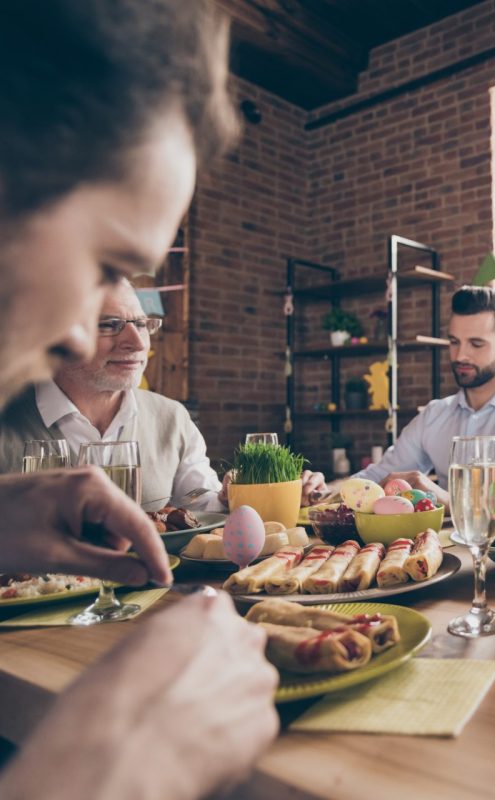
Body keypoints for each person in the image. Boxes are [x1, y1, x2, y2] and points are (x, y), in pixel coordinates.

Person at [0, 2, 277, 797]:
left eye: (137, 318)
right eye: (102, 265)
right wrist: (121, 760)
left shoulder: (166, 423)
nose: (82, 332)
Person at [0, 279, 326, 509]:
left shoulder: (171, 416)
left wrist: (233, 495)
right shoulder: (8, 416)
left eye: (142, 325)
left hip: (150, 596)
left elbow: (199, 501)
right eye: (110, 324)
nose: (138, 343)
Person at [355, 286, 495, 504]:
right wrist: (323, 489)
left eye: (476, 344)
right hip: (444, 539)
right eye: (454, 342)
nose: (460, 355)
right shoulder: (434, 415)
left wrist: (445, 499)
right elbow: (377, 477)